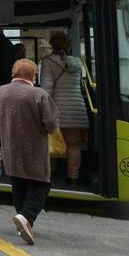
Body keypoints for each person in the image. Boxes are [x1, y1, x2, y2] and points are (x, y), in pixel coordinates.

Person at [0, 59, 60, 245]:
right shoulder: (39, 95)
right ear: (33, 75)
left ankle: (24, 221)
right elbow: (51, 124)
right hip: (34, 149)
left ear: (13, 73)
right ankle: (26, 217)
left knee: (19, 182)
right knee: (41, 184)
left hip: (10, 146)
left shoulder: (0, 91)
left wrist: (2, 127)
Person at [39, 31, 89, 185]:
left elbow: (46, 89)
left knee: (52, 143)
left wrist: (41, 110)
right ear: (68, 44)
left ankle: (50, 175)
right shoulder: (77, 62)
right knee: (73, 145)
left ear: (52, 44)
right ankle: (72, 177)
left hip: (56, 110)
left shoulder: (48, 62)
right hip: (76, 109)